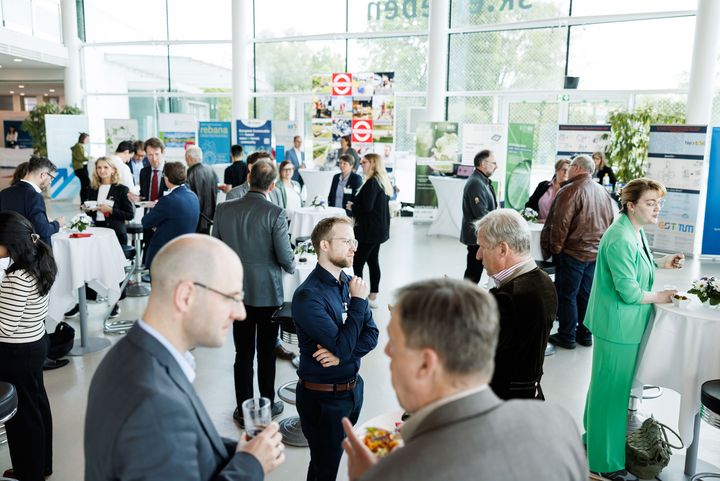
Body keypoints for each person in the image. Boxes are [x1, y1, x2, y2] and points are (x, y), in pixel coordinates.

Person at [341, 278, 588, 481]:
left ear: (426, 363)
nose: (386, 352)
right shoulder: (559, 424)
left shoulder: (395, 473)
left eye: (393, 342)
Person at [84, 234, 286, 481]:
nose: (240, 313)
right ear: (186, 296)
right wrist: (251, 465)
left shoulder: (133, 353)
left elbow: (180, 445)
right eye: (232, 297)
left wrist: (240, 453)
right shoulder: (155, 405)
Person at [583, 179, 684, 481]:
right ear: (631, 205)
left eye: (658, 203)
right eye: (650, 202)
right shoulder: (620, 238)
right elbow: (629, 292)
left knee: (604, 387)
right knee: (612, 393)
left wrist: (665, 262)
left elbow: (641, 263)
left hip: (622, 324)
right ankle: (603, 463)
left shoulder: (632, 231)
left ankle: (593, 440)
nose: (657, 208)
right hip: (617, 326)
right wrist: (664, 296)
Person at [292, 217, 379, 481]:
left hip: (353, 390)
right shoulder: (309, 296)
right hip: (324, 399)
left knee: (326, 465)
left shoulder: (348, 281)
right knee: (327, 469)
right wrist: (358, 302)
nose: (354, 247)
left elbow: (372, 334)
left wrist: (341, 355)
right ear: (324, 246)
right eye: (346, 241)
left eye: (354, 240)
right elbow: (343, 344)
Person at [212, 159, 295, 425]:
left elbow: (216, 251)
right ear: (272, 185)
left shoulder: (223, 210)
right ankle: (267, 404)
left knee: (243, 352)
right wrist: (293, 264)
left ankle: (242, 407)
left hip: (237, 291)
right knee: (267, 351)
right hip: (268, 292)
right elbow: (286, 258)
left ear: (248, 180)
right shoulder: (275, 213)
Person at [475, 209, 557, 400]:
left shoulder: (511, 297)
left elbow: (470, 350)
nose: (478, 255)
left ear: (502, 249)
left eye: (482, 247)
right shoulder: (543, 280)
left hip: (503, 403)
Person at [0, 211, 57, 481]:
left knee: (22, 417)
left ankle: (29, 472)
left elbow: (3, 328)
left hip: (16, 351)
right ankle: (41, 466)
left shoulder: (17, 278)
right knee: (36, 406)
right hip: (35, 341)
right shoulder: (38, 262)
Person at [541, 155, 614, 349]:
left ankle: (567, 336)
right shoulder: (602, 191)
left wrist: (556, 249)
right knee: (586, 295)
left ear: (578, 168)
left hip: (573, 252)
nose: (570, 169)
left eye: (572, 165)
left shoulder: (569, 190)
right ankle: (585, 334)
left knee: (567, 295)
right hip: (595, 253)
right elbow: (610, 221)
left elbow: (560, 223)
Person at [350, 153, 392, 309]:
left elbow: (367, 207)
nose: (361, 164)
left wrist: (352, 207)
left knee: (358, 262)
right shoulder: (380, 181)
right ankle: (373, 295)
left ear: (373, 164)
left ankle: (358, 296)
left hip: (370, 231)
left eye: (364, 162)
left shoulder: (372, 183)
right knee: (373, 261)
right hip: (377, 231)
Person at [142, 162, 200, 270]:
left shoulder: (168, 200)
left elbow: (146, 222)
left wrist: (157, 208)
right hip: (185, 250)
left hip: (165, 253)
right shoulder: (193, 196)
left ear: (166, 178)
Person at [0, 156, 64, 247]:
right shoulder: (34, 196)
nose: (50, 182)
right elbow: (43, 231)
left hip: (10, 252)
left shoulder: (4, 193)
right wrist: (57, 223)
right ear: (43, 175)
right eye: (52, 178)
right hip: (31, 253)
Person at [460, 149, 497, 284]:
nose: (496, 166)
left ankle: (466, 300)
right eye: (493, 163)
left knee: (473, 273)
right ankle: (464, 302)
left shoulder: (483, 181)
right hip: (477, 237)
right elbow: (481, 214)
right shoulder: (476, 183)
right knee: (473, 274)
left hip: (481, 235)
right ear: (483, 164)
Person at [85, 156, 135, 245]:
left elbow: (130, 215)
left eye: (106, 167)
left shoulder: (122, 189)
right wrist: (87, 209)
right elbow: (91, 213)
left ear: (113, 170)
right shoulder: (92, 189)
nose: (102, 170)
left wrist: (110, 210)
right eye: (99, 167)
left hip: (116, 232)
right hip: (97, 230)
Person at [185, 146, 219, 235]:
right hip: (209, 217)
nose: (186, 161)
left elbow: (187, 198)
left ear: (189, 158)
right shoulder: (211, 170)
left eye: (186, 158)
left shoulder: (190, 173)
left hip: (195, 218)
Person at [71, 132, 91, 204]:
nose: (88, 141)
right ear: (83, 139)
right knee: (86, 184)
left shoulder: (80, 146)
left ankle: (84, 202)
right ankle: (84, 202)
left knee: (85, 185)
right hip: (80, 168)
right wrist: (90, 158)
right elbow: (81, 157)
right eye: (87, 139)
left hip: (83, 168)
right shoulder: (78, 147)